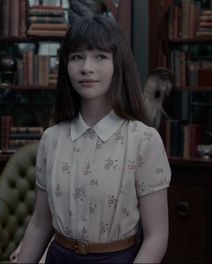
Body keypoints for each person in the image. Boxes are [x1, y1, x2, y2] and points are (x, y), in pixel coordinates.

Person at [18, 15, 171, 264]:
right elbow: (39, 225)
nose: (86, 67)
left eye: (100, 56)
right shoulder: (51, 138)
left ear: (118, 64)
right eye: (77, 56)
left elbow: (157, 236)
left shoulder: (143, 140)